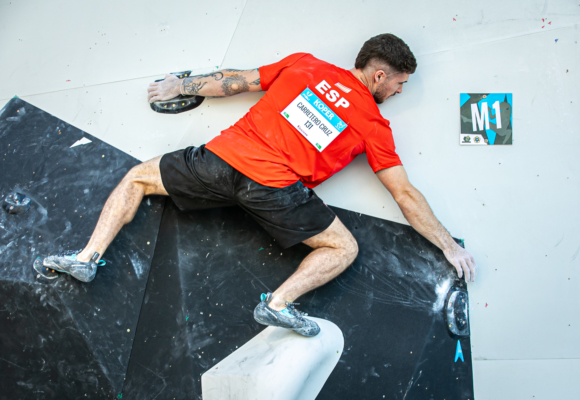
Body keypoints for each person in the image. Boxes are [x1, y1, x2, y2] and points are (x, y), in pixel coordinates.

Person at [44, 34, 477, 337]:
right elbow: (404, 194)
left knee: (138, 176)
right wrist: (449, 247)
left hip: (221, 163)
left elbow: (236, 81)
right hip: (274, 190)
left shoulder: (305, 64)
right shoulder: (373, 124)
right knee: (343, 248)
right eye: (401, 83)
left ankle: (86, 258)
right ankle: (278, 304)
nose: (400, 91)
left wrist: (181, 85)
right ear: (380, 76)